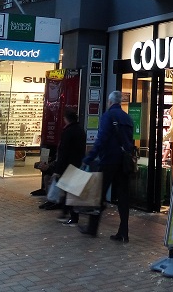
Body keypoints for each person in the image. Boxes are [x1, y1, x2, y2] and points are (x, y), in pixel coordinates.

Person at [80, 90, 133, 242]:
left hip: (109, 160)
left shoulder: (108, 116)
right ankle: (124, 232)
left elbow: (101, 139)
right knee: (123, 198)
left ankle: (92, 228)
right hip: (123, 162)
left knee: (98, 195)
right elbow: (129, 141)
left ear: (110, 102)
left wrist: (89, 157)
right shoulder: (127, 118)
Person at [37, 108, 87, 225]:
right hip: (77, 164)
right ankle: (66, 213)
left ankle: (71, 216)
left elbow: (63, 152)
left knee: (67, 191)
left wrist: (58, 169)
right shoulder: (80, 130)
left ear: (66, 119)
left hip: (68, 166)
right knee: (70, 191)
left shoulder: (68, 131)